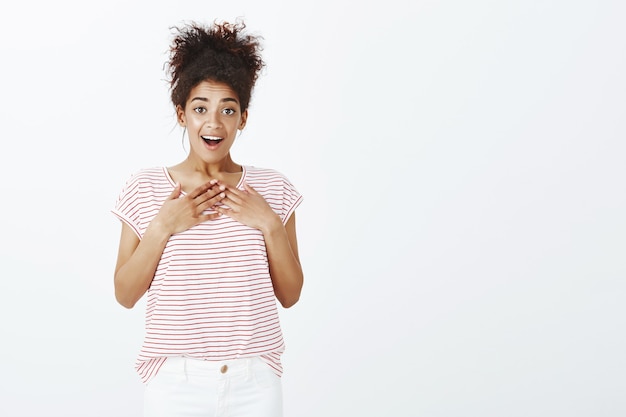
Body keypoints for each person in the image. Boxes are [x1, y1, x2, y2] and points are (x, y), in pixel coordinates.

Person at [111, 19, 303, 417]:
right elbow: (125, 294)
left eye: (227, 110)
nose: (213, 123)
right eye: (200, 108)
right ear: (182, 114)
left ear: (242, 119)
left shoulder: (274, 189)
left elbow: (290, 294)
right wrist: (164, 225)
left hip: (255, 383)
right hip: (175, 386)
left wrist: (268, 222)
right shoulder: (146, 188)